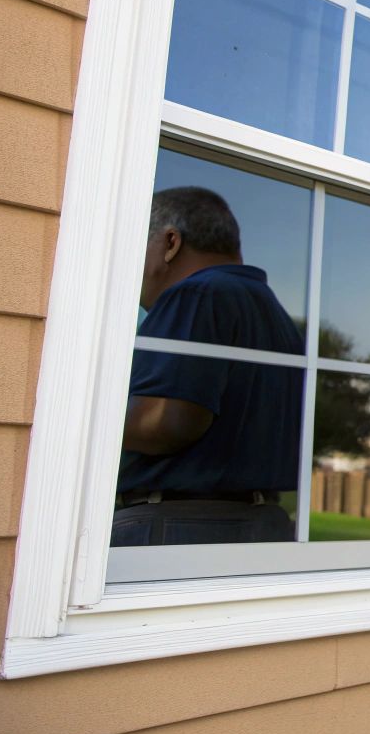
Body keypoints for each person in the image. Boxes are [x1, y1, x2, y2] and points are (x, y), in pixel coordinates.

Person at [112, 186, 304, 547]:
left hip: (178, 527)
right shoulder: (275, 316)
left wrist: (80, 413)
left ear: (170, 242)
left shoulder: (196, 293)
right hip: (261, 525)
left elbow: (166, 424)